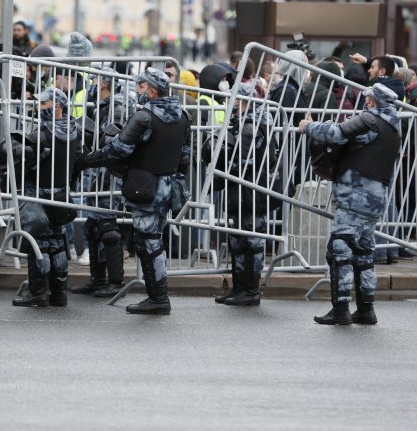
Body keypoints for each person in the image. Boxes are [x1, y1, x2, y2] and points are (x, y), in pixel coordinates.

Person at [73, 67, 191, 315]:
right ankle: (157, 296)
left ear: (152, 90)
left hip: (146, 186)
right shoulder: (183, 116)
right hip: (168, 187)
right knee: (153, 239)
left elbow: (118, 150)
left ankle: (158, 298)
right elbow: (184, 157)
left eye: (140, 87)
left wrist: (86, 160)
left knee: (148, 241)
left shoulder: (144, 117)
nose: (137, 91)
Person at [297, 83, 402, 325]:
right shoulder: (393, 126)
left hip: (356, 195)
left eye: (368, 99)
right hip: (375, 197)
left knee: (340, 249)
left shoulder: (370, 120)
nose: (365, 103)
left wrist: (308, 126)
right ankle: (366, 309)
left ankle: (341, 308)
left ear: (374, 102)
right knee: (364, 253)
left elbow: (337, 133)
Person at [202, 84, 275, 306]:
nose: (229, 103)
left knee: (251, 242)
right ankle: (239, 288)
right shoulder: (243, 124)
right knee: (238, 241)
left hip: (251, 193)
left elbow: (244, 164)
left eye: (232, 99)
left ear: (240, 101)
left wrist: (220, 167)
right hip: (243, 193)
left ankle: (250, 291)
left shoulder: (250, 127)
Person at [8, 87, 79, 307]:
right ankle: (59, 293)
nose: (38, 108)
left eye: (44, 104)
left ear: (56, 106)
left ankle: (38, 292)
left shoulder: (42, 134)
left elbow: (22, 159)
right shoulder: (75, 130)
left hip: (40, 194)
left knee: (39, 243)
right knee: (58, 241)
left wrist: (14, 146)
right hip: (61, 193)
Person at [71, 72, 133, 298]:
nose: (91, 85)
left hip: (111, 172)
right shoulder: (102, 105)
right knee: (93, 225)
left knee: (107, 226)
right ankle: (97, 280)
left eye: (95, 80)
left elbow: (114, 142)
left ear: (106, 83)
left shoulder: (117, 106)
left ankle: (116, 282)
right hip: (99, 169)